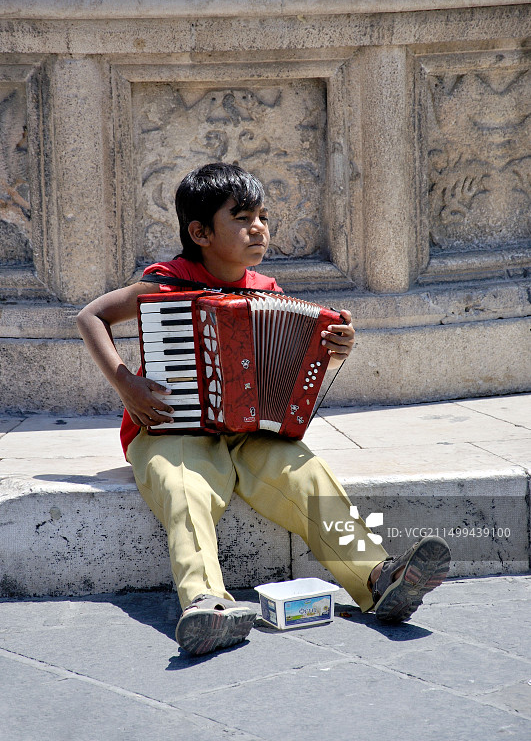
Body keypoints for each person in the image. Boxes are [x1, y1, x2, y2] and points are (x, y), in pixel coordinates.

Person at [77, 162, 451, 656]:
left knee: (309, 476)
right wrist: (127, 385)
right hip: (175, 430)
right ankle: (205, 604)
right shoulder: (166, 284)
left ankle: (378, 577)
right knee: (184, 489)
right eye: (242, 217)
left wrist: (334, 347)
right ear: (200, 232)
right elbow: (91, 316)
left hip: (252, 433)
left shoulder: (267, 292)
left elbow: (291, 363)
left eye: (263, 216)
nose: (258, 228)